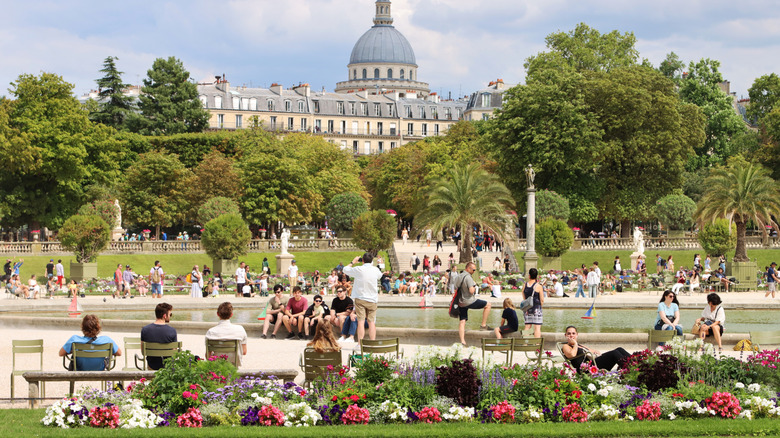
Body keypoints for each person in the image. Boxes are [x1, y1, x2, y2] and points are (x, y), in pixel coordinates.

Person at [343, 252, 383, 341]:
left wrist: (353, 262)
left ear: (363, 260)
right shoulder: (375, 270)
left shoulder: (359, 269)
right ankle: (372, 342)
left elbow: (345, 269)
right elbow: (380, 276)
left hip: (360, 298)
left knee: (360, 322)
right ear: (372, 261)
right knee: (371, 322)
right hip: (372, 299)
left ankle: (360, 344)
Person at [455, 262, 492, 346]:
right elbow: (471, 291)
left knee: (462, 321)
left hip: (460, 302)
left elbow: (455, 288)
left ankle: (462, 341)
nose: (474, 271)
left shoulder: (458, 276)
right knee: (488, 305)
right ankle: (483, 325)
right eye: (473, 270)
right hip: (469, 301)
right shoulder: (468, 277)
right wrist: (475, 286)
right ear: (468, 268)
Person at [561, 326, 630, 371]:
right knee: (614, 353)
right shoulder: (566, 346)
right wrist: (575, 344)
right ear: (565, 335)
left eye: (573, 333)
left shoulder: (580, 345)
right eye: (569, 334)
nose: (571, 335)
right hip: (586, 368)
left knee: (619, 349)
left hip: (593, 363)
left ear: (577, 335)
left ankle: (636, 364)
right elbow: (572, 355)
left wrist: (596, 352)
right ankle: (629, 370)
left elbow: (593, 351)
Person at [140, 303, 177, 370]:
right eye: (170, 314)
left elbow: (143, 351)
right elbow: (174, 353)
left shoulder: (145, 330)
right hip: (167, 366)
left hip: (151, 365)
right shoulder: (172, 331)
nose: (170, 316)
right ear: (165, 316)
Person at [522, 268, 545, 338]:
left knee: (527, 327)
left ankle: (525, 343)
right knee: (537, 328)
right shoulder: (538, 286)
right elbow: (542, 300)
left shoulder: (525, 285)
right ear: (536, 276)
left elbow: (524, 297)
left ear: (529, 276)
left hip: (528, 308)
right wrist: (541, 306)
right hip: (536, 308)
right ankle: (537, 345)